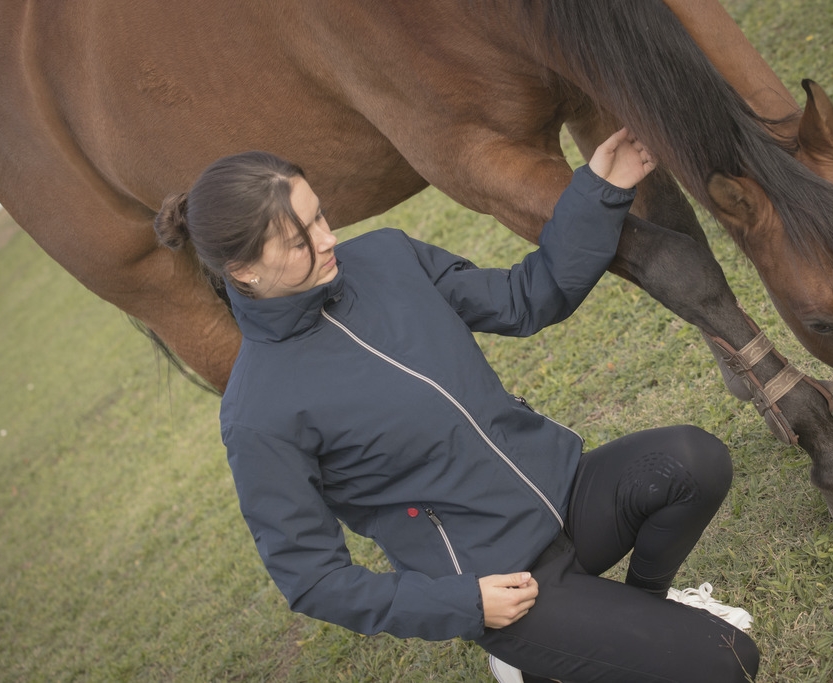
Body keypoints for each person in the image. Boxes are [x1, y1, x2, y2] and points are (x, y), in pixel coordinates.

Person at [154, 129, 760, 682]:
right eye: (299, 240)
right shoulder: (258, 413)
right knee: (728, 662)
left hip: (562, 495)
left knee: (694, 460)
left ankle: (643, 611)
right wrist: (465, 604)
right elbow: (312, 579)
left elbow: (527, 298)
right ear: (244, 272)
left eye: (320, 217)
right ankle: (534, 653)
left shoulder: (387, 259)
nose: (328, 240)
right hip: (499, 584)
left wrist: (601, 189)